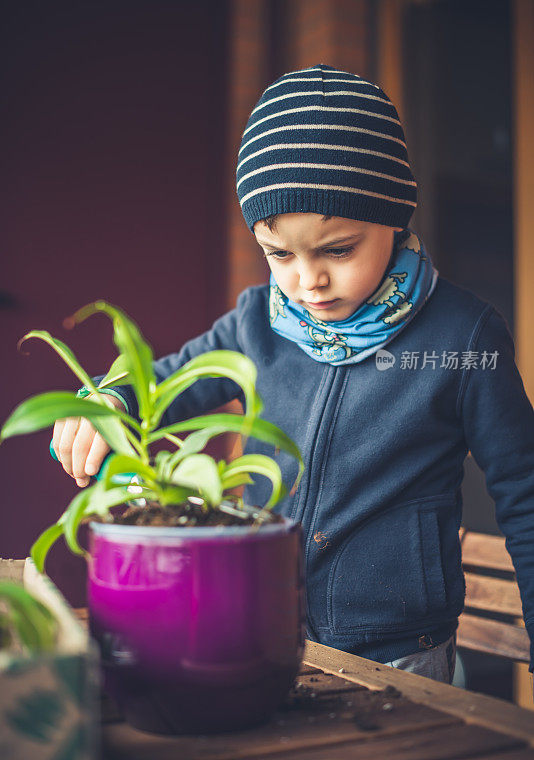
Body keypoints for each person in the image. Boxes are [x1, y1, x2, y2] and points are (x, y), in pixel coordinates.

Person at [52, 63, 534, 687]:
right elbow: (165, 382)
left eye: (338, 249)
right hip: (262, 627)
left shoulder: (462, 338)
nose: (309, 282)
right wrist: (106, 401)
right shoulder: (256, 322)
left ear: (395, 214)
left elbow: (525, 487)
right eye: (280, 254)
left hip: (396, 649)